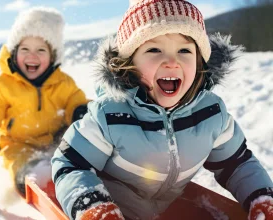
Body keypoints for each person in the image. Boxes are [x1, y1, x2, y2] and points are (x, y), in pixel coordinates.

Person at [51, 0, 273, 219]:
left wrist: (261, 196)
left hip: (166, 207)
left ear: (199, 63)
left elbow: (237, 163)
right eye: (154, 49)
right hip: (115, 209)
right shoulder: (110, 115)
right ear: (129, 63)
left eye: (185, 50)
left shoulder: (211, 114)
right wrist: (93, 207)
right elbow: (70, 164)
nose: (171, 61)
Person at [0, 7, 88, 198]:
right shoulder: (2, 85)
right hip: (18, 145)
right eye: (25, 49)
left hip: (57, 139)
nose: (32, 56)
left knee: (80, 145)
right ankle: (36, 179)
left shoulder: (62, 81)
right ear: (14, 52)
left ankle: (82, 175)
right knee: (26, 168)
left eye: (41, 50)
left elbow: (75, 100)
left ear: (53, 56)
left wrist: (80, 111)